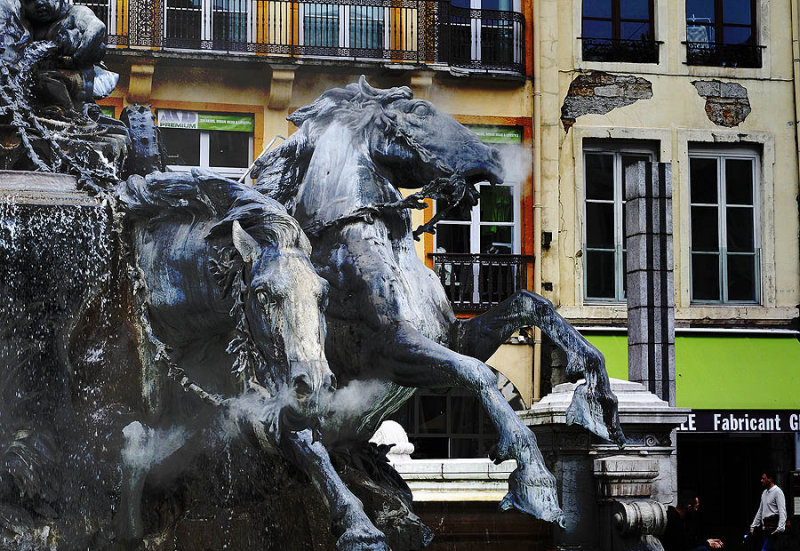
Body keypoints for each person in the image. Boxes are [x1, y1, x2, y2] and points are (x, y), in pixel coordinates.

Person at [660, 495, 725, 551]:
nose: (696, 510)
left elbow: (688, 540)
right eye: (696, 507)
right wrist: (707, 543)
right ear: (689, 507)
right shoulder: (673, 518)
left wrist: (708, 541)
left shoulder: (680, 518)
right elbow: (683, 544)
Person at [749, 471, 787, 551]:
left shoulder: (778, 492)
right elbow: (760, 511)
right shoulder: (764, 493)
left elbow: (782, 511)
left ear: (770, 479)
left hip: (774, 530)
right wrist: (753, 526)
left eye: (763, 478)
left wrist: (780, 528)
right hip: (765, 529)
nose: (761, 480)